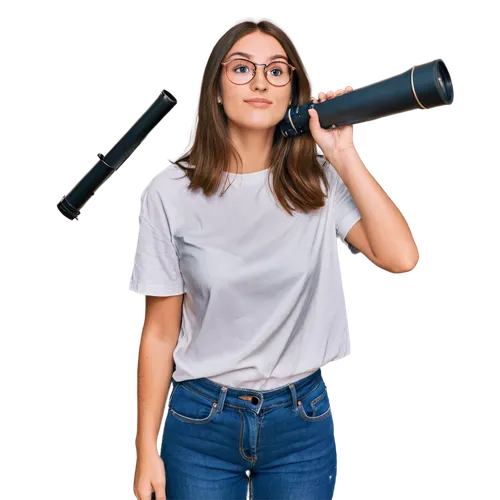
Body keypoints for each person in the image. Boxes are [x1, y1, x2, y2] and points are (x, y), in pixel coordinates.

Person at [128, 16, 420, 500]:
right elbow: (159, 332)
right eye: (242, 69)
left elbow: (402, 257)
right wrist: (146, 451)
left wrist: (344, 153)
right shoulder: (171, 190)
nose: (261, 81)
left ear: (292, 91)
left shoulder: (318, 180)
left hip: (300, 422)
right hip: (200, 420)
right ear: (217, 90)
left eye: (277, 71)